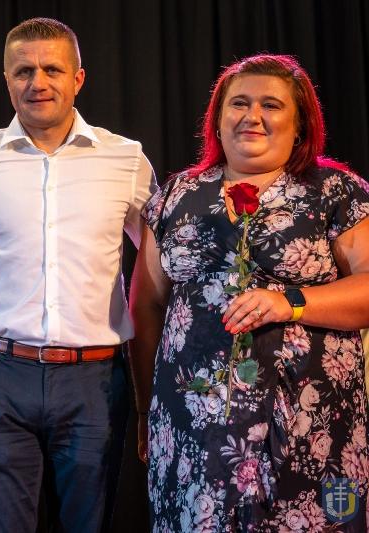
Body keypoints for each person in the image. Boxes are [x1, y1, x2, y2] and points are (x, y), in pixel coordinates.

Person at [130, 54, 369, 531]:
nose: (252, 115)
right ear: (217, 121)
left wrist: (290, 303)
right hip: (193, 428)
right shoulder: (176, 195)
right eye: (239, 103)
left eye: (271, 105)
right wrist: (143, 408)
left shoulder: (334, 191)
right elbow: (146, 305)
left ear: (300, 126)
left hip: (309, 426)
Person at [0, 17, 157, 533]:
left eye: (52, 70)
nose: (38, 82)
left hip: (94, 381)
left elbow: (162, 269)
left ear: (78, 78)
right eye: (24, 71)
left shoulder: (126, 160)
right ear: (6, 79)